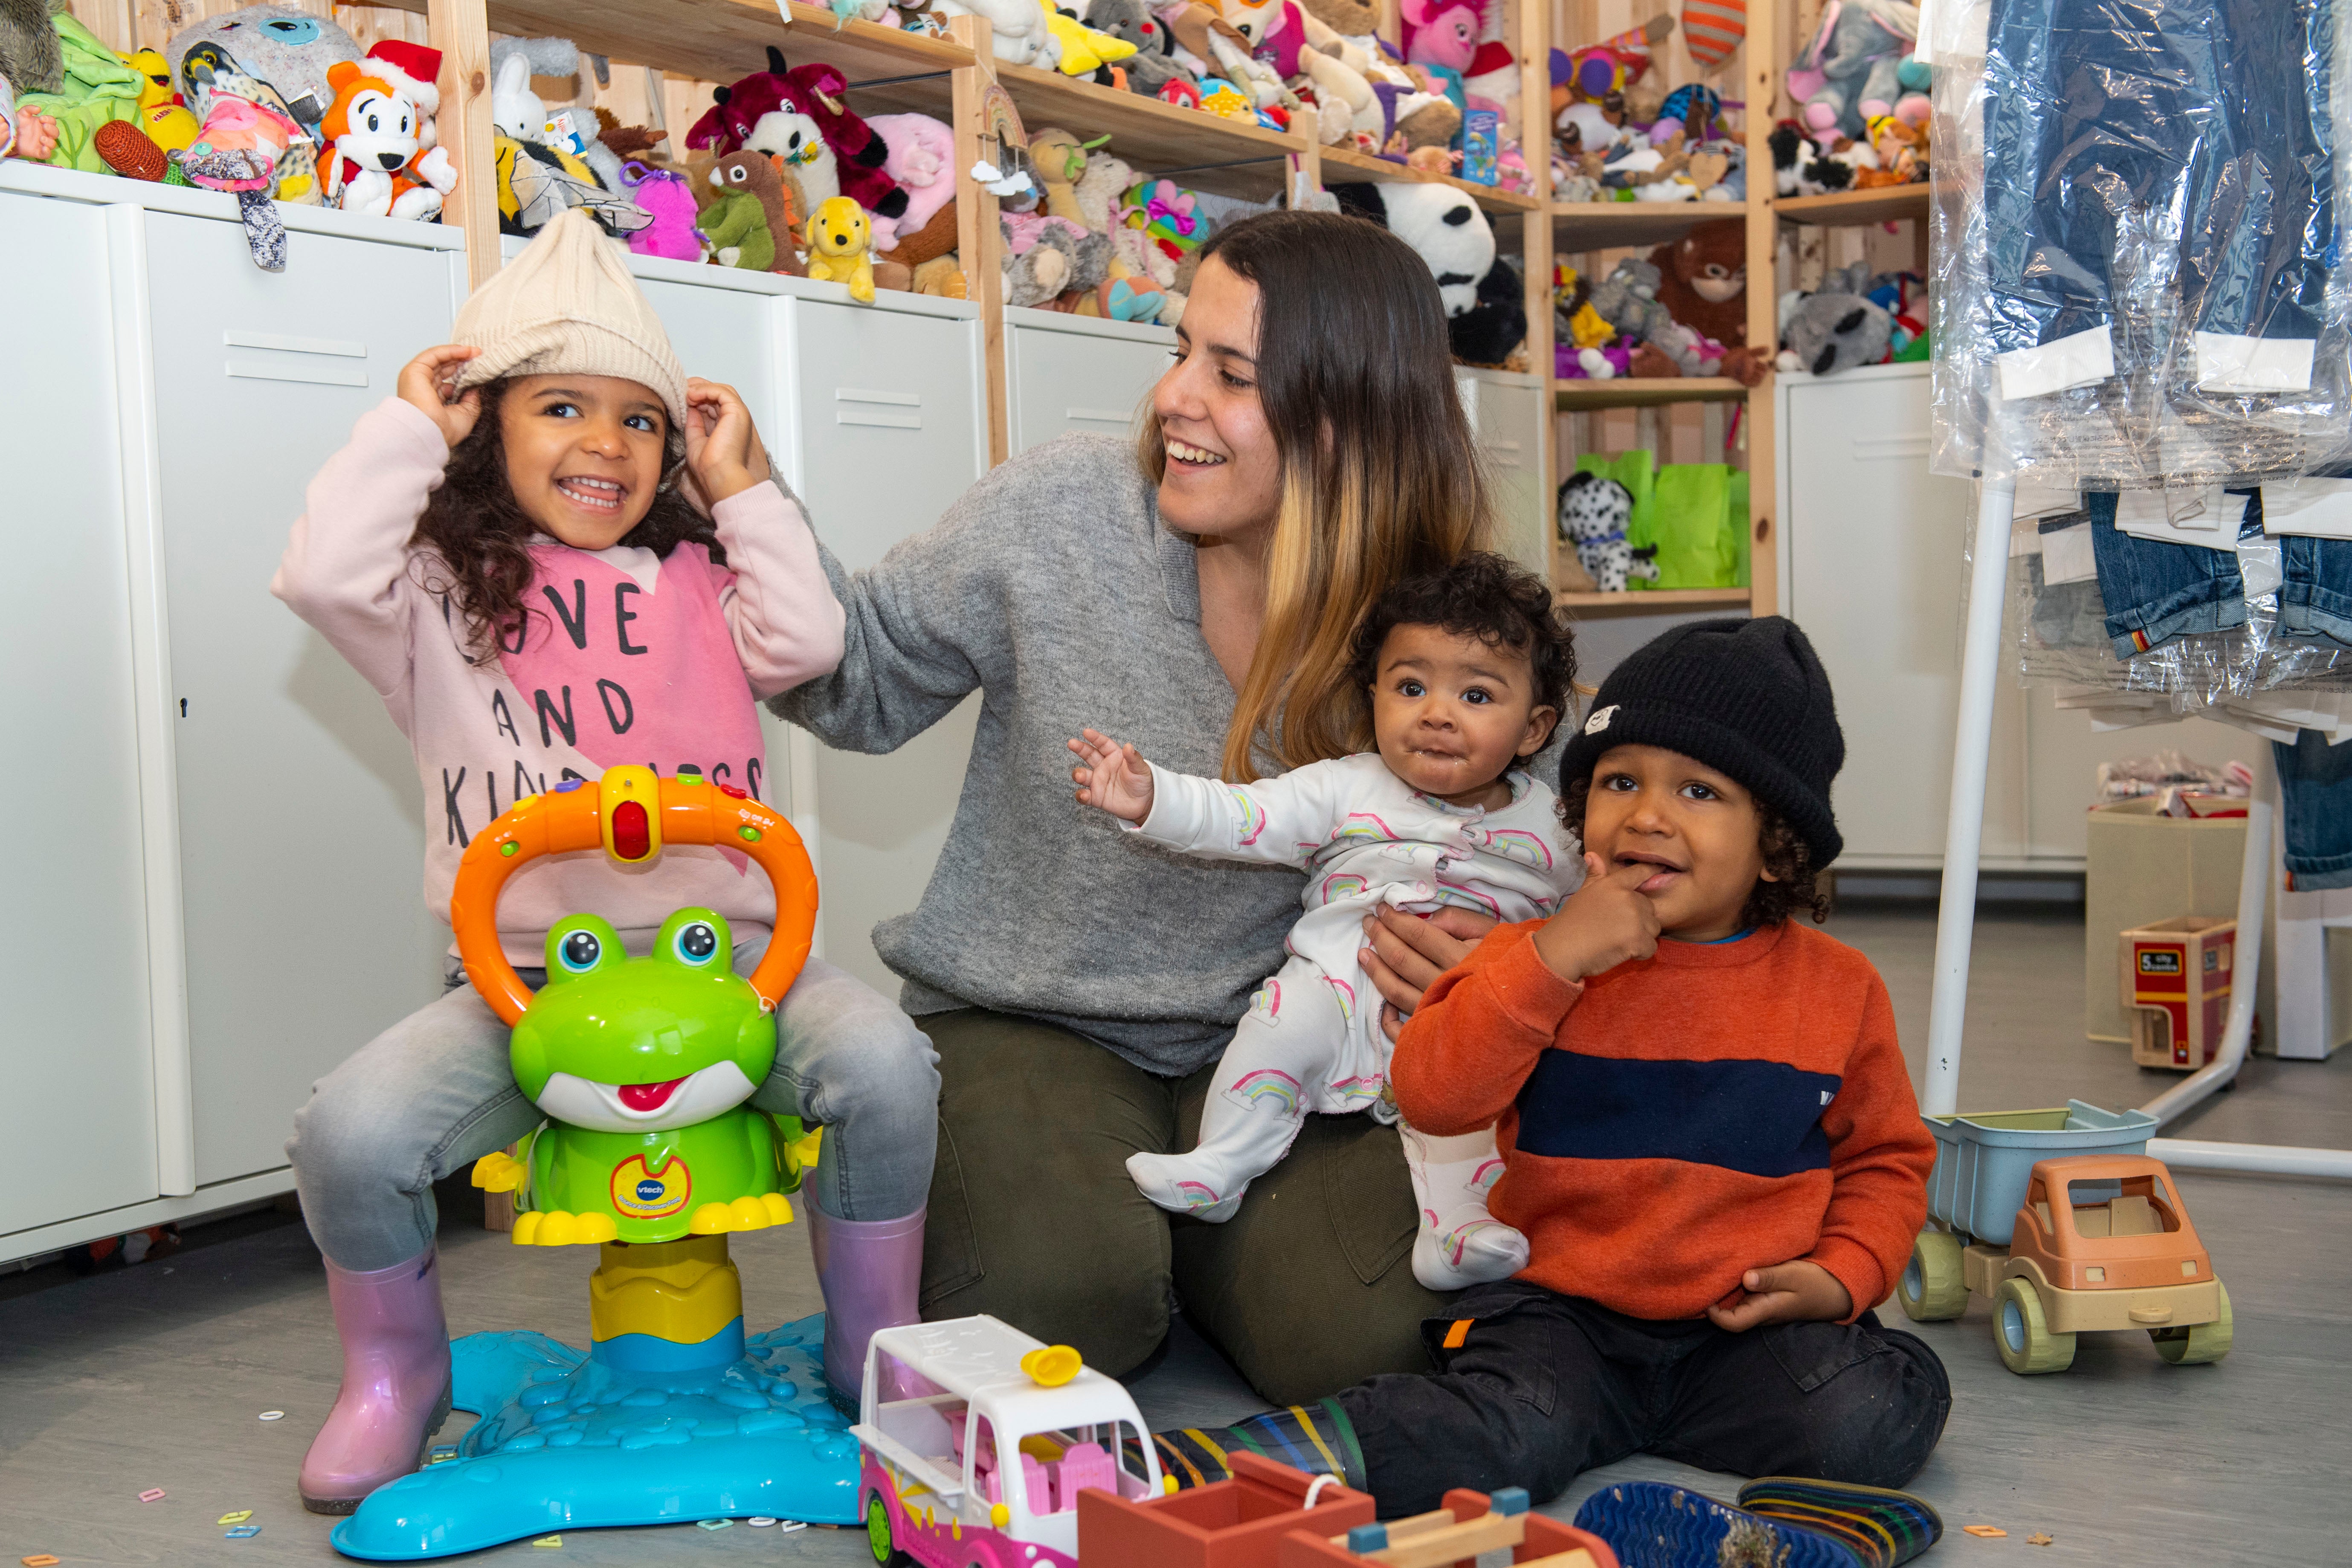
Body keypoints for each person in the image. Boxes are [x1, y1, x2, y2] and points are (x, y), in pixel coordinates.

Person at [271, 212, 938, 1513]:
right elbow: (319, 573)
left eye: (640, 420)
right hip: (531, 987)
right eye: (561, 407)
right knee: (349, 1134)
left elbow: (804, 640)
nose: (604, 443)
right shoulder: (433, 591)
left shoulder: (699, 571)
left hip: (737, 970)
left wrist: (739, 482)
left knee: (886, 1067)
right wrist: (412, 426)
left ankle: (875, 1344)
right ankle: (394, 1373)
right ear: (488, 428)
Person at [770, 208, 1493, 1404]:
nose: (1171, 399)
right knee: (1061, 1304)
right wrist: (731, 508)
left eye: (1229, 374)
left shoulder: (1443, 616)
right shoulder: (1059, 510)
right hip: (1025, 1017)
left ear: (1343, 416)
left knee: (1367, 1336)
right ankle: (1133, 1245)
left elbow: (1546, 824)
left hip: (1283, 1037)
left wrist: (1498, 941)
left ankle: (1200, 1251)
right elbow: (859, 681)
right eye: (1177, 350)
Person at [1154, 618, 1951, 1550]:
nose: (1646, 815)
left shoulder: (1838, 989)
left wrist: (1837, 1277)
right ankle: (1239, 1463)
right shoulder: (1528, 957)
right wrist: (1550, 961)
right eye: (1619, 782)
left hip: (1739, 1331)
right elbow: (1436, 1096)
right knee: (1503, 1428)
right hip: (1558, 1315)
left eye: (1698, 791)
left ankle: (1781, 1531)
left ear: (1777, 846)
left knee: (1881, 1401)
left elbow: (1887, 1158)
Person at [1065, 554, 1579, 1291]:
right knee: (1276, 1028)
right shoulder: (1346, 786)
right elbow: (1243, 815)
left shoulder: (1557, 829)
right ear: (1374, 696)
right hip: (1334, 984)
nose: (1436, 712)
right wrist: (1153, 799)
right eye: (1410, 687)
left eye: (1474, 694)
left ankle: (1458, 1231)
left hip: (1464, 1010)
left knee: (1478, 1107)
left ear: (1534, 729)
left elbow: (1586, 924)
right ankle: (1225, 1160)